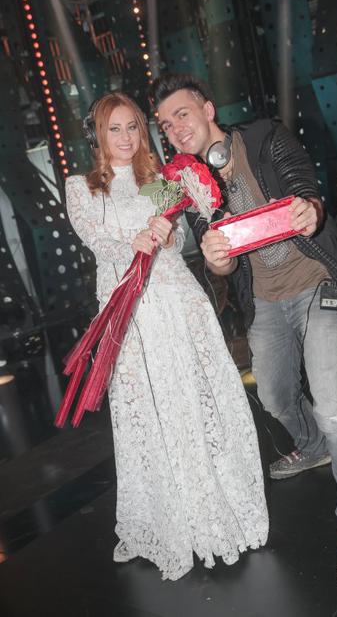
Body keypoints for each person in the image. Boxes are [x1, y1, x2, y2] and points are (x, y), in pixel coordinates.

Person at [151, 73, 337, 588]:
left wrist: (310, 209)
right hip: (267, 303)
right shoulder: (187, 183)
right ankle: (314, 445)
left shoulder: (263, 137)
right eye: (165, 124)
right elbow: (221, 262)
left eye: (182, 114)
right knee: (276, 397)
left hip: (318, 282)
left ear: (208, 109)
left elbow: (306, 190)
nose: (175, 128)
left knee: (334, 405)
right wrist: (216, 260)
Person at [65, 91, 269, 581]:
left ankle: (216, 507)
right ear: (98, 134)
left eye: (132, 127)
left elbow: (178, 244)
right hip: (129, 314)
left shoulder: (160, 180)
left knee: (196, 403)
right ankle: (166, 517)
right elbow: (95, 239)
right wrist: (133, 241)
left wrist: (167, 234)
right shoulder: (81, 187)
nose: (125, 138)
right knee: (149, 413)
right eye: (114, 129)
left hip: (178, 303)